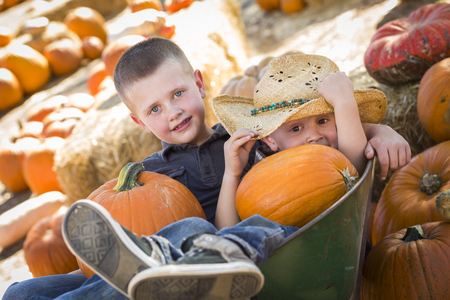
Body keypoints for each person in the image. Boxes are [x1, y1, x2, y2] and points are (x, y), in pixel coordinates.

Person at [3, 38, 410, 300]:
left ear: (199, 84)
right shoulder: (150, 176)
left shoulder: (245, 139)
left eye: (178, 93)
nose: (174, 111)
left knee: (193, 230)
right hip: (167, 270)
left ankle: (185, 260)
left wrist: (379, 126)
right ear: (139, 123)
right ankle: (155, 262)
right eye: (156, 109)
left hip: (252, 251)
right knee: (23, 293)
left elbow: (320, 148)